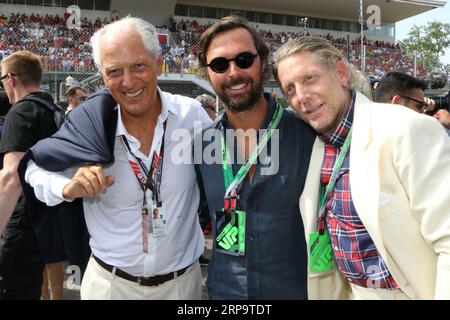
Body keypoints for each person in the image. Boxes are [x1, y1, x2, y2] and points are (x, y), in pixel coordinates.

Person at [21, 17, 211, 300]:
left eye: (138, 66)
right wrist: (65, 187)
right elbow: (34, 167)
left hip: (183, 286)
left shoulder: (191, 115)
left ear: (158, 63)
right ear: (102, 76)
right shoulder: (89, 125)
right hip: (110, 287)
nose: (128, 81)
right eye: (114, 71)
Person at [273, 36, 450, 299]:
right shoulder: (318, 146)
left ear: (342, 74)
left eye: (310, 78)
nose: (301, 97)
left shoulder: (406, 128)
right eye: (290, 88)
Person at [195, 16, 316, 299]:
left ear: (262, 62)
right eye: (220, 64)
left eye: (244, 59)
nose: (233, 72)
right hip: (225, 294)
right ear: (208, 73)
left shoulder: (309, 138)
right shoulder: (200, 145)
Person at [0, 51, 58, 299]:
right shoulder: (53, 109)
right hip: (43, 224)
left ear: (11, 79)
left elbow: (12, 176)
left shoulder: (22, 111)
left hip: (20, 226)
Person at [41, 84, 90, 300]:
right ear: (70, 99)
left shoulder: (86, 119)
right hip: (65, 188)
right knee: (69, 240)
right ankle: (76, 277)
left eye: (85, 98)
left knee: (80, 237)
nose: (84, 102)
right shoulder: (61, 119)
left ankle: (81, 274)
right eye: (80, 98)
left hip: (82, 189)